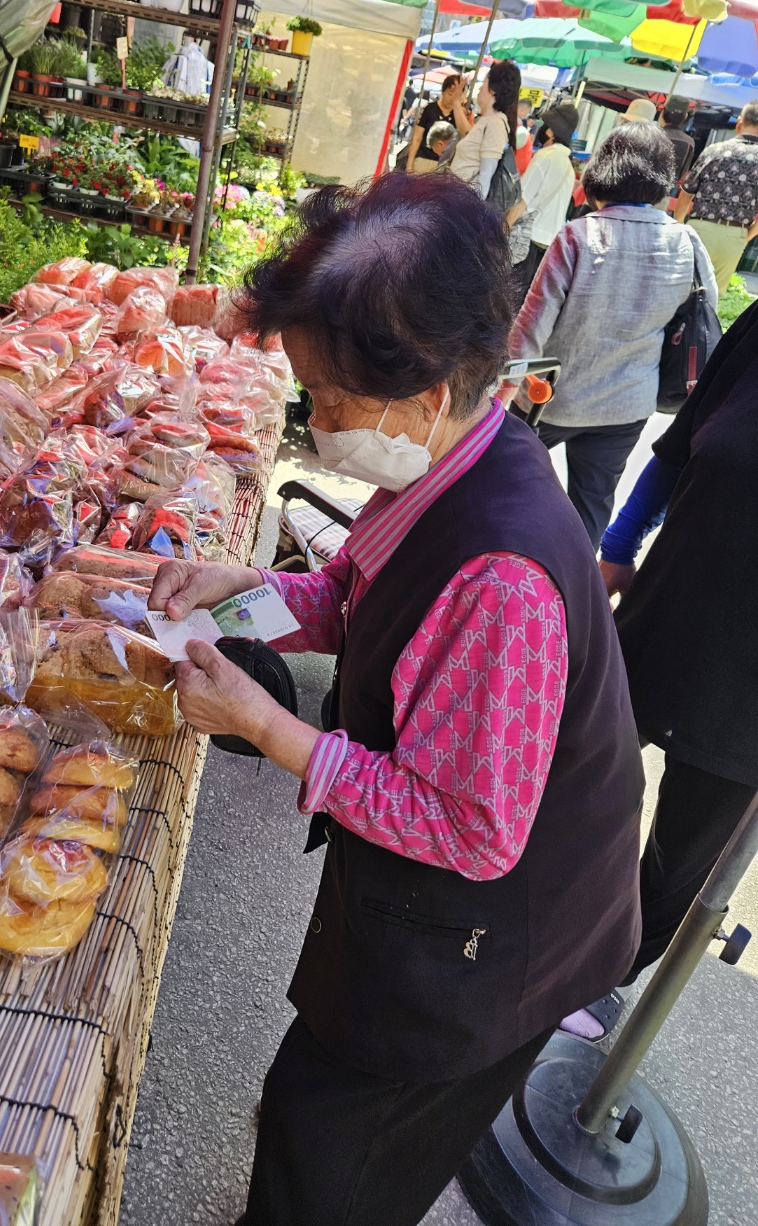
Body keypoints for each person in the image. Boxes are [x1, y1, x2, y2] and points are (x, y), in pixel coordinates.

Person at [148, 171, 644, 1226]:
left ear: (427, 392)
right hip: (431, 902)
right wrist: (243, 598)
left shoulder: (504, 575)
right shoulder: (443, 460)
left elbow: (467, 824)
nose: (314, 421)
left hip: (492, 940)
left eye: (328, 400)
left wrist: (265, 724)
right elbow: (358, 591)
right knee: (313, 1112)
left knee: (337, 1151)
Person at [561, 298, 758, 1041]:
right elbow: (679, 449)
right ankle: (519, 930)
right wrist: (614, 549)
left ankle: (601, 980)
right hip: (666, 613)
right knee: (568, 772)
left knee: (679, 859)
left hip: (747, 702)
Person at [508, 122, 718, 548]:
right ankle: (569, 595)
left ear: (604, 171)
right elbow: (704, 315)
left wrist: (498, 398)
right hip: (627, 406)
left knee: (504, 487)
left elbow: (530, 330)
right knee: (590, 509)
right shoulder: (687, 242)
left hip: (550, 401)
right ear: (663, 179)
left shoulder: (578, 236)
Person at [675, 99, 758, 299]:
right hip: (735, 233)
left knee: (680, 288)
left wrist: (678, 226)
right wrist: (745, 237)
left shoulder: (715, 150)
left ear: (739, 122)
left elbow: (686, 193)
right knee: (712, 297)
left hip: (699, 228)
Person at [509, 102, 578, 294]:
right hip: (548, 246)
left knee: (510, 298)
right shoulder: (568, 167)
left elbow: (523, 199)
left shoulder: (545, 156)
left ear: (551, 132)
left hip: (527, 241)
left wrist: (504, 227)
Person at [450, 59, 521, 198]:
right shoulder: (486, 121)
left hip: (463, 203)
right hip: (455, 197)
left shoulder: (496, 123)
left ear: (493, 89)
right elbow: (466, 133)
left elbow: (485, 177)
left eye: (484, 82)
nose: (480, 88)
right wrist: (456, 102)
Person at [402, 73, 470, 171]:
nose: (451, 99)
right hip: (423, 160)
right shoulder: (429, 108)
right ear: (442, 91)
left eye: (456, 95)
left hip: (446, 165)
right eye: (450, 94)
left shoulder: (460, 114)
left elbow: (466, 134)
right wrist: (409, 165)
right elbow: (417, 138)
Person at [659, 93, 695, 183]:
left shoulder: (651, 134)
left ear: (663, 112)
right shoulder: (689, 142)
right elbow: (683, 173)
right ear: (685, 116)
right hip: (666, 192)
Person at [514, 98, 534, 175]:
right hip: (516, 171)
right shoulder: (520, 130)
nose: (526, 115)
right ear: (523, 110)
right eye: (527, 112)